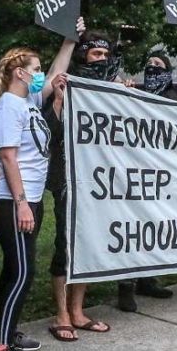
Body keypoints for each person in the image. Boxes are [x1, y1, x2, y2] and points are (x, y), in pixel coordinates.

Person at [116, 22, 177, 304]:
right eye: (149, 63)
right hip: (137, 170)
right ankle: (125, 285)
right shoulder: (136, 91)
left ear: (169, 71)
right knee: (133, 226)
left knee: (156, 225)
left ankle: (148, 279)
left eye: (159, 64)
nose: (153, 66)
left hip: (166, 173)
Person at [0, 47, 53, 351]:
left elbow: (55, 79)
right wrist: (21, 203)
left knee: (14, 269)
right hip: (11, 201)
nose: (41, 74)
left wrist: (70, 40)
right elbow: (8, 157)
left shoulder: (28, 103)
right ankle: (1, 346)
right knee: (23, 272)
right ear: (20, 72)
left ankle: (7, 332)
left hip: (30, 199)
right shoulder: (8, 107)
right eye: (37, 68)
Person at [48, 24, 116, 333]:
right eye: (96, 53)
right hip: (68, 178)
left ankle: (78, 311)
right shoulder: (66, 85)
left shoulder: (111, 87)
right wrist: (60, 100)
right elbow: (51, 133)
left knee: (89, 243)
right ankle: (61, 314)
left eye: (106, 54)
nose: (101, 59)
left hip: (99, 179)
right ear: (83, 56)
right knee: (65, 243)